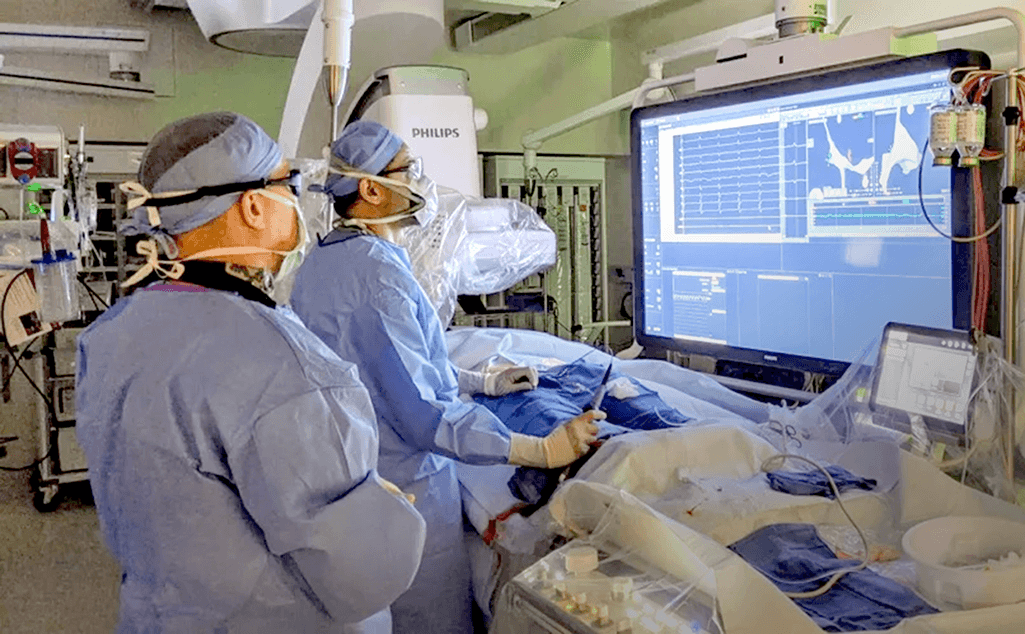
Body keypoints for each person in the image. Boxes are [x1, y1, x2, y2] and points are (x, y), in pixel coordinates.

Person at [74, 112, 426, 634]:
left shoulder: (111, 334)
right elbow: (359, 571)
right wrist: (384, 512)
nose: (298, 202)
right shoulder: (278, 362)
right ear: (255, 205)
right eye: (289, 184)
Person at [290, 120, 605, 634]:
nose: (419, 181)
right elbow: (423, 416)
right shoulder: (378, 275)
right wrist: (538, 451)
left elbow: (385, 364)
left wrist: (478, 382)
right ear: (371, 189)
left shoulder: (324, 264)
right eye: (407, 170)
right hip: (405, 488)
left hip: (355, 474)